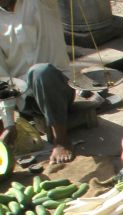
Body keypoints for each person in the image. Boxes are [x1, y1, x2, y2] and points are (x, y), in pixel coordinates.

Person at [0, 0, 76, 163]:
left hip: (58, 88)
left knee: (40, 71)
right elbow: (3, 80)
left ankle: (61, 139)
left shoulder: (40, 3)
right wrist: (9, 122)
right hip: (26, 101)